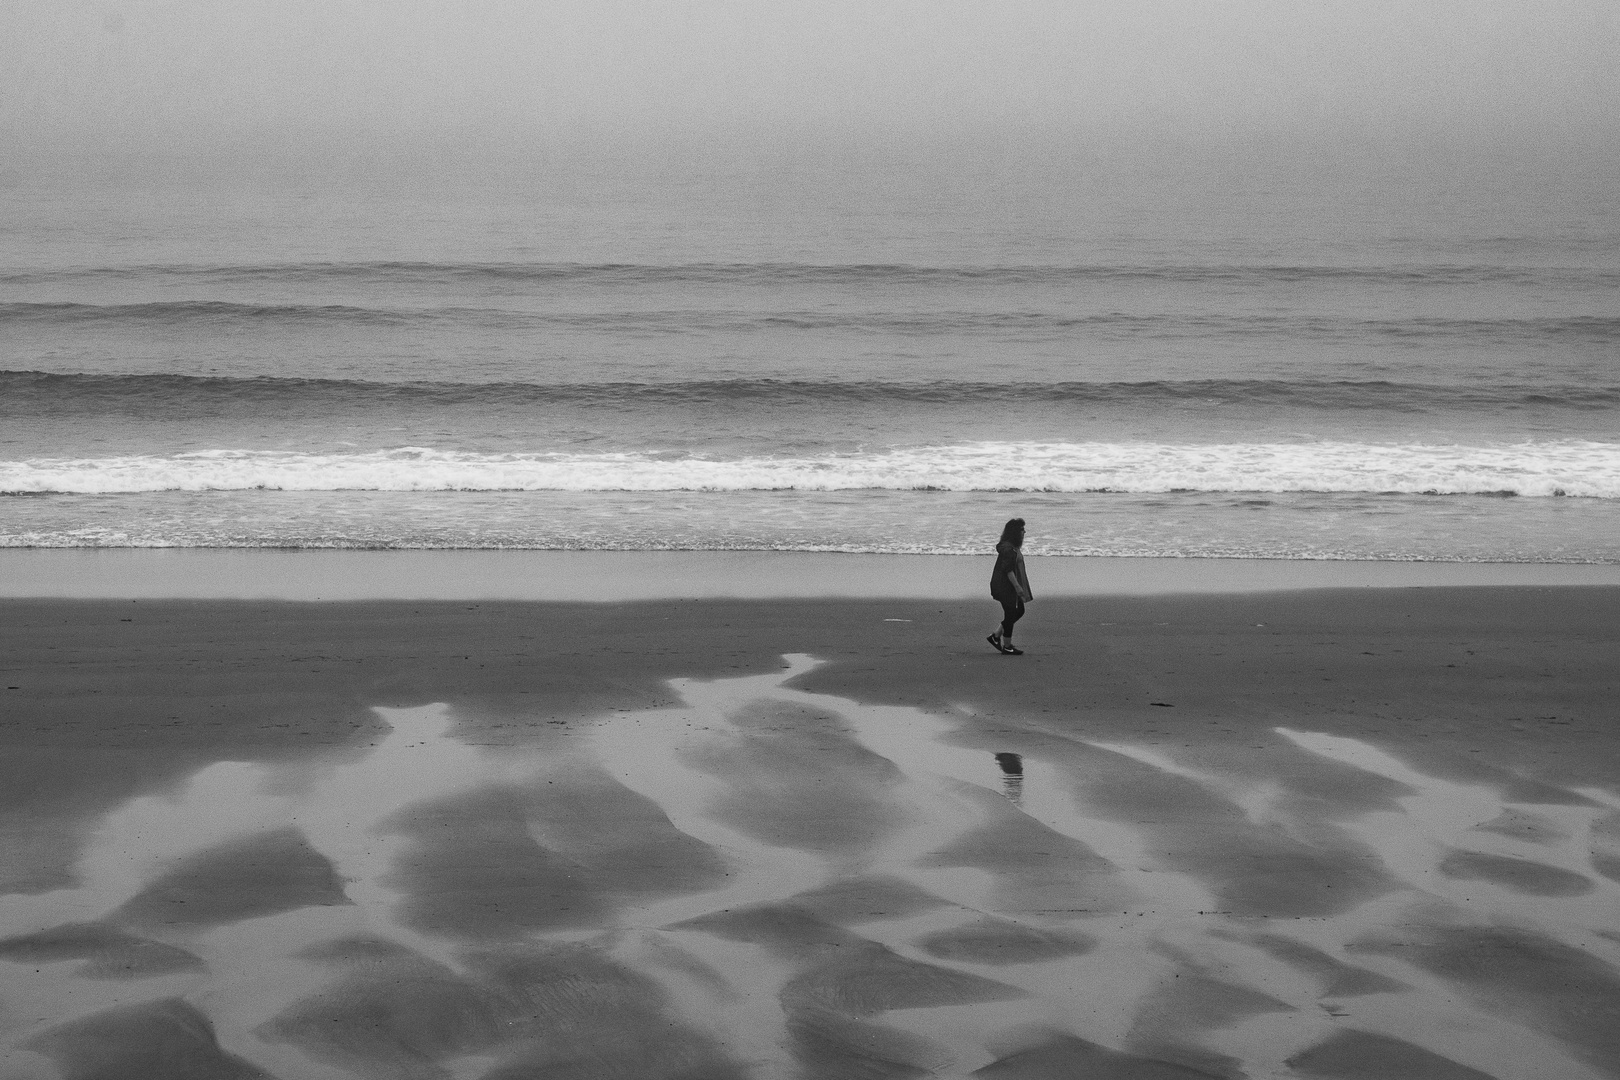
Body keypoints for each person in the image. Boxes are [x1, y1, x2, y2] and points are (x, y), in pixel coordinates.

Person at [987, 517, 1033, 654]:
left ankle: (996, 636)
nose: (1024, 532)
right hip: (1004, 586)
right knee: (1012, 612)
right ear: (1014, 532)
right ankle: (1007, 647)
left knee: (1018, 611)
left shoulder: (1013, 547)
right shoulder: (1008, 549)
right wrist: (1018, 587)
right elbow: (1008, 570)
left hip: (1007, 586)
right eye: (1022, 530)